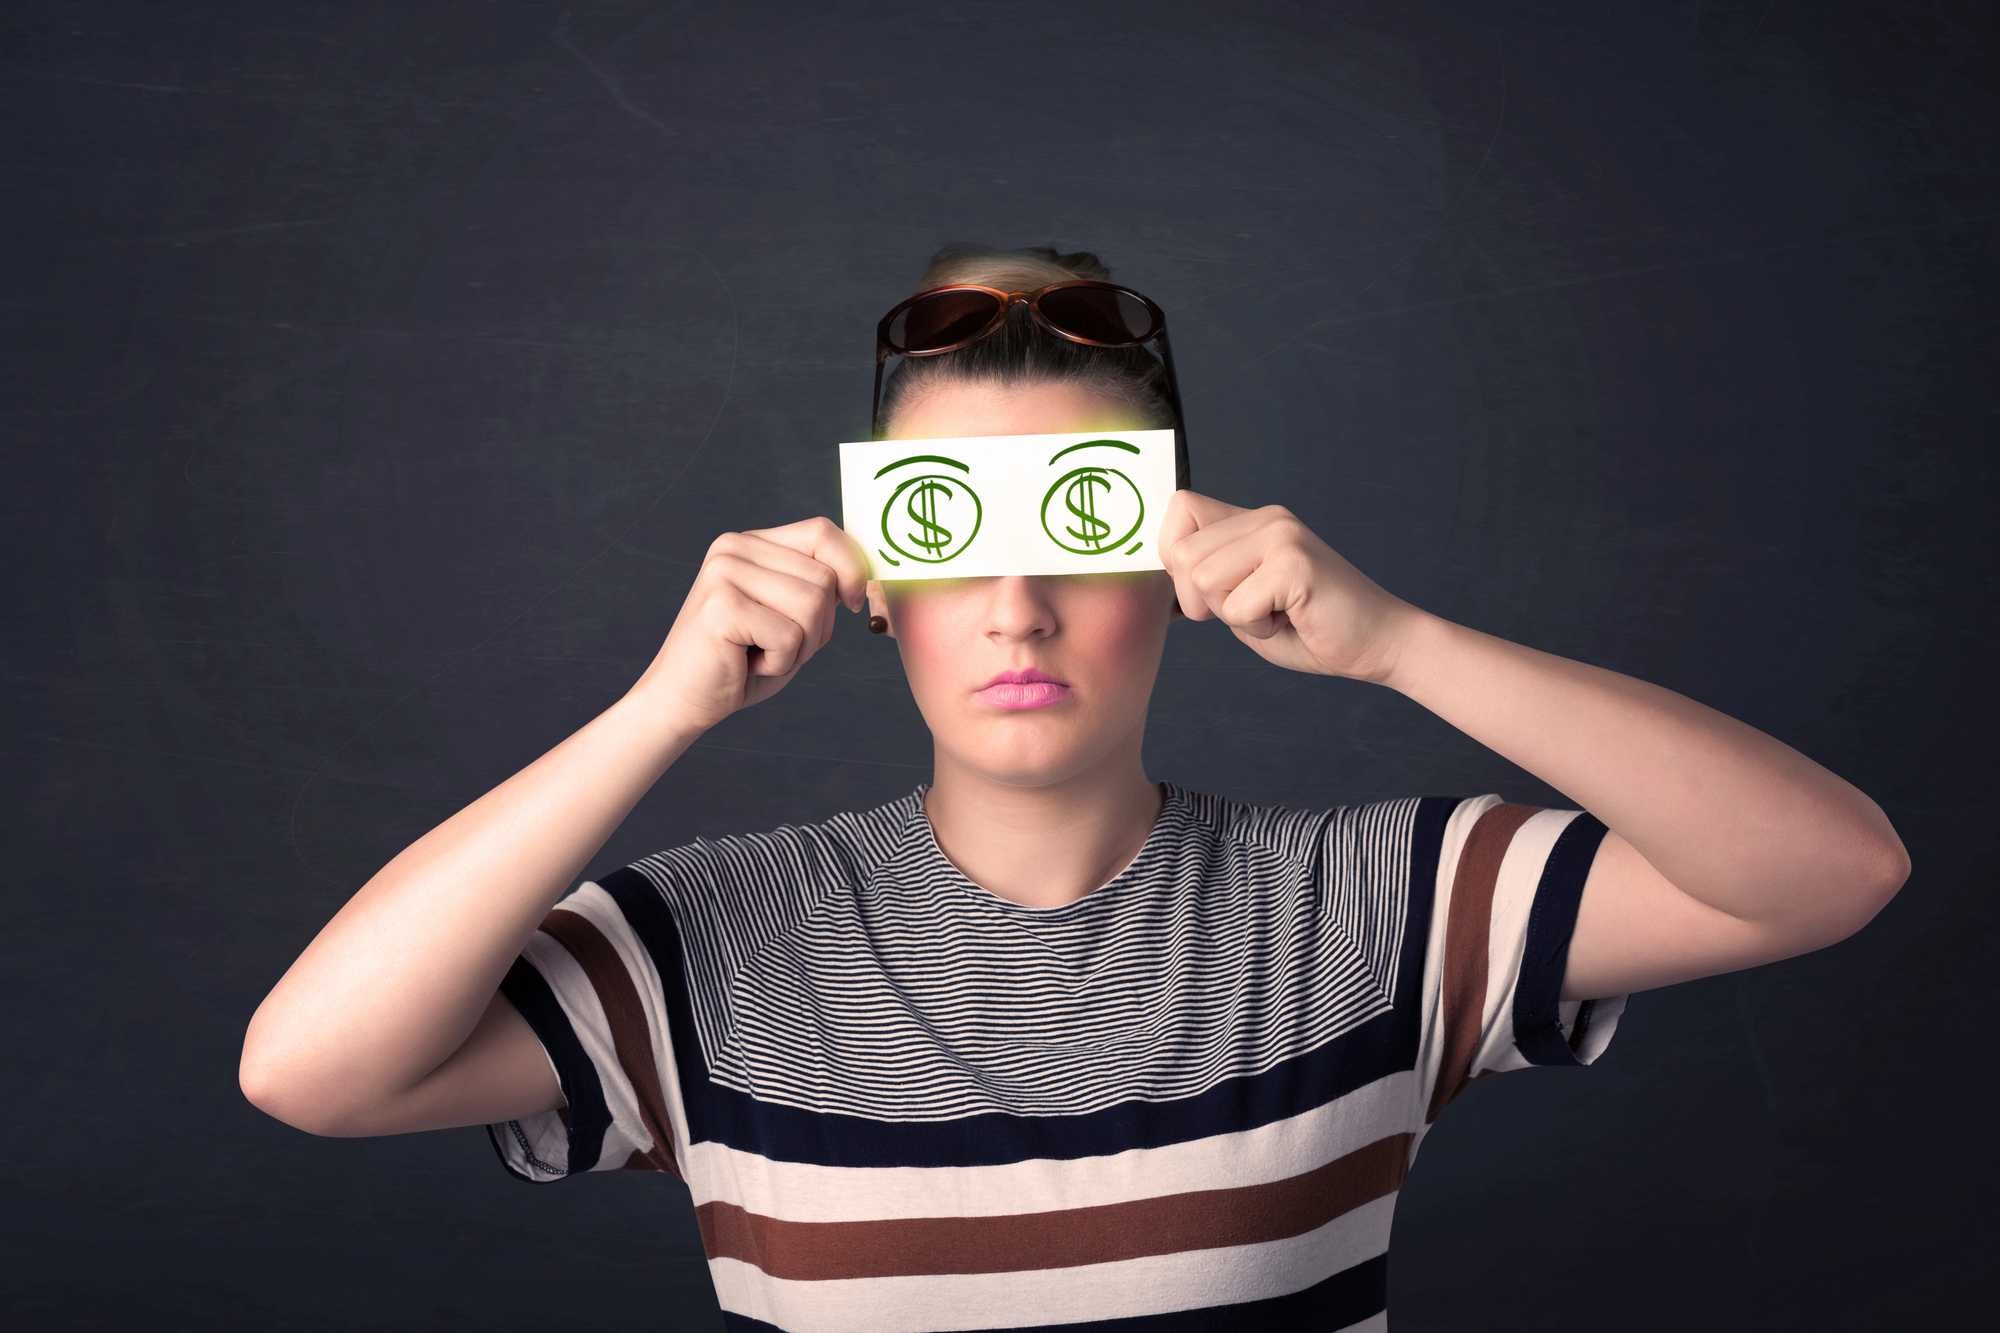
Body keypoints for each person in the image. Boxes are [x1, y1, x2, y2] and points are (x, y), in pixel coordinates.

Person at [239, 245, 1909, 1332]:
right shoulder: (716, 945)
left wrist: (1401, 641)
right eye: (954, 543)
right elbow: (310, 1071)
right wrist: (656, 712)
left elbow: (1829, 869)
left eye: (1078, 537)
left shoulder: (1376, 908)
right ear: (875, 578)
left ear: (1178, 563)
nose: (1020, 608)